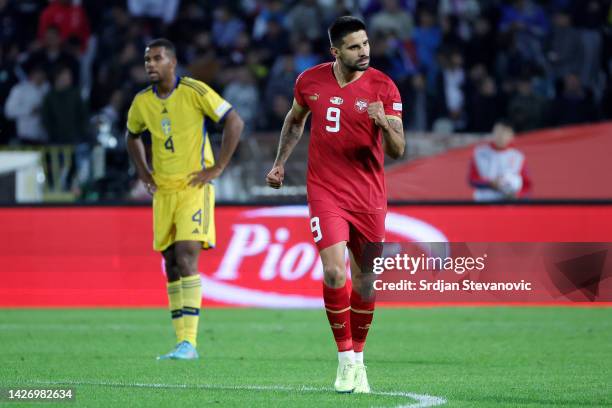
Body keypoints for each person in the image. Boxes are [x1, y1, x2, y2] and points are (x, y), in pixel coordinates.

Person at [266, 16, 405, 394]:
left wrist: (384, 124)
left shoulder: (384, 87)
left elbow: (398, 150)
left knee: (365, 280)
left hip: (369, 197)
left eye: (366, 44)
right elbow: (295, 121)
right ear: (335, 51)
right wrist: (280, 162)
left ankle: (359, 358)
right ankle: (344, 359)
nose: (364, 52)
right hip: (325, 191)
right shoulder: (309, 81)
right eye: (354, 47)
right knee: (333, 274)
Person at [125, 38, 243, 360]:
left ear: (172, 62)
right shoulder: (141, 102)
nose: (150, 64)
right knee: (171, 263)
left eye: (157, 58)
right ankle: (181, 342)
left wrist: (218, 166)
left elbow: (235, 120)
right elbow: (131, 135)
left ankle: (190, 344)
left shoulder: (194, 91)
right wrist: (144, 173)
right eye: (147, 59)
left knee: (187, 256)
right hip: (163, 191)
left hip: (194, 186)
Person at [469, 120, 532, 201]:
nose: (501, 136)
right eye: (498, 132)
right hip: (484, 203)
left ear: (511, 135)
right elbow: (472, 180)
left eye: (505, 133)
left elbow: (526, 185)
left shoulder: (518, 157)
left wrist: (517, 196)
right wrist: (489, 183)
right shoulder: (480, 154)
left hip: (507, 206)